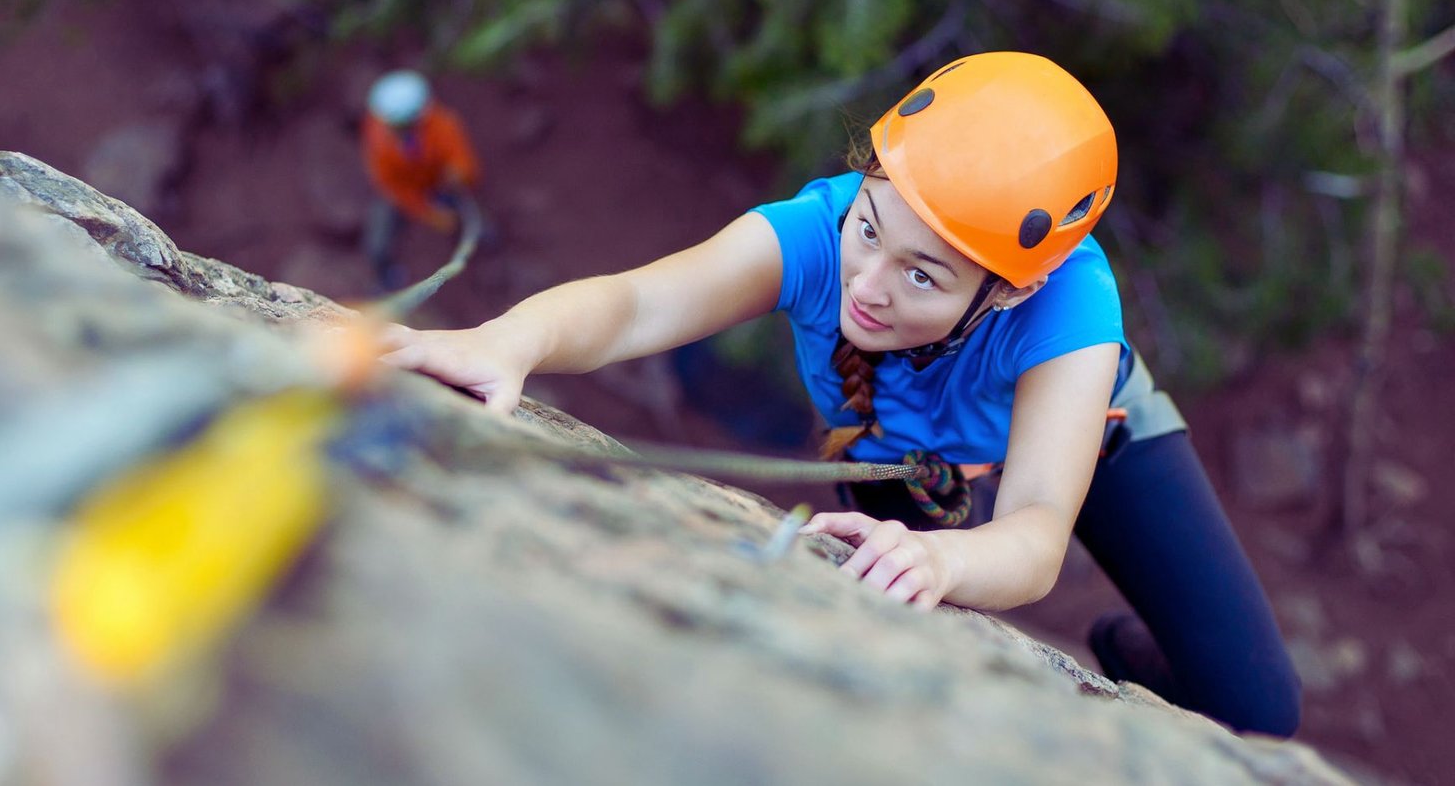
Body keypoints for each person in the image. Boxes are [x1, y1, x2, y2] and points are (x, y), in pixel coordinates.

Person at [377, 52, 1301, 737]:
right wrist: (508, 342)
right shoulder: (819, 233)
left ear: (1012, 288)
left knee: (1258, 708)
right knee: (891, 629)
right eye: (871, 227)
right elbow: (633, 305)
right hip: (890, 447)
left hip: (1092, 442)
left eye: (923, 276)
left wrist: (948, 562)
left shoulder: (1070, 307)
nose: (869, 285)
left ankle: (1131, 647)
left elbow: (1034, 532)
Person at [359, 70, 481, 289]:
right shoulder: (379, 139)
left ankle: (480, 246)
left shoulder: (442, 125)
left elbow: (465, 163)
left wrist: (459, 174)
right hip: (405, 186)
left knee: (473, 218)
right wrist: (429, 213)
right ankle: (385, 274)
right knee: (378, 243)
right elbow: (393, 186)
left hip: (438, 180)